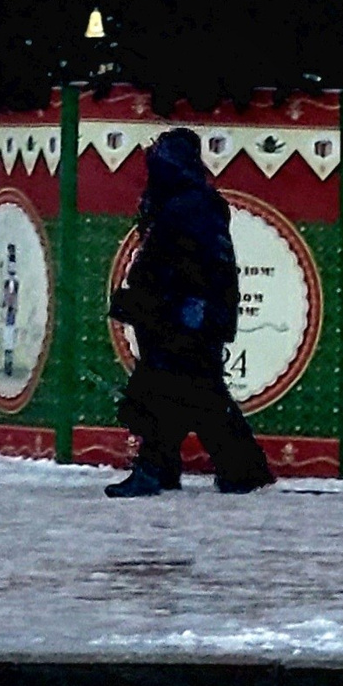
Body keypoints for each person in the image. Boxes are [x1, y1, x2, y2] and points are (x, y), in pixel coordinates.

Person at [106, 127, 274, 496]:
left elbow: (195, 266)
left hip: (183, 317)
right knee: (192, 395)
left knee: (171, 390)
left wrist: (173, 306)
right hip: (181, 315)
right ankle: (231, 469)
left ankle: (159, 469)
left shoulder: (190, 206)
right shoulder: (185, 203)